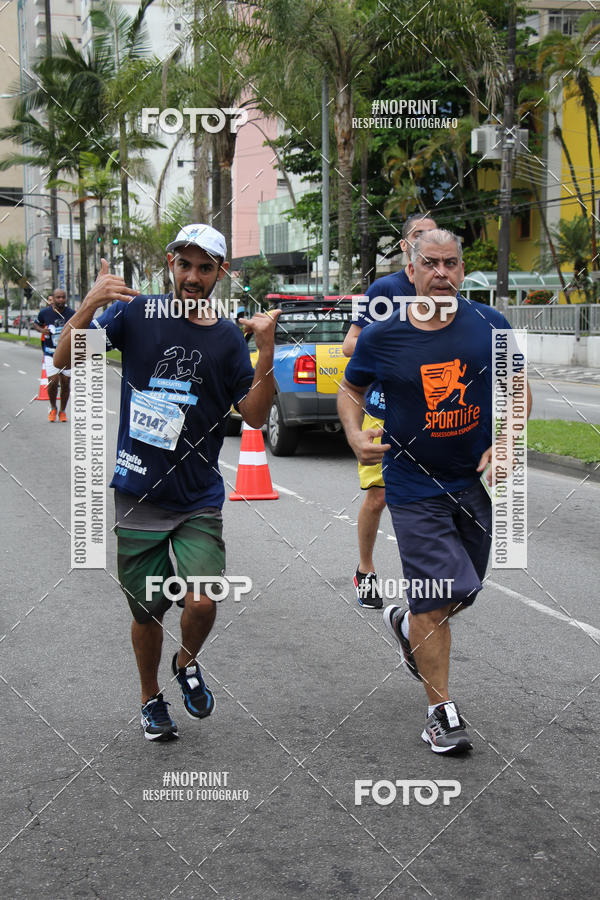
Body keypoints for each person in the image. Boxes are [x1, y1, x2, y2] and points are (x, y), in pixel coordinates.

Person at [54, 224, 280, 742]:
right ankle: (150, 698)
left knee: (202, 600)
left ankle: (187, 660)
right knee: (148, 608)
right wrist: (89, 303)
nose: (192, 277)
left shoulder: (226, 336)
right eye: (184, 265)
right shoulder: (136, 314)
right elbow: (67, 359)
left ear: (221, 273)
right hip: (138, 492)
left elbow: (253, 416)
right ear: (170, 265)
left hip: (198, 496)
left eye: (205, 268)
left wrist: (264, 353)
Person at [338, 228, 531, 754]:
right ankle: (440, 712)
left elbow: (519, 393)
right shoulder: (385, 332)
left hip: (471, 483)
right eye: (431, 264)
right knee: (434, 594)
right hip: (412, 483)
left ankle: (405, 622)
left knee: (461, 590)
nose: (441, 273)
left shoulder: (490, 324)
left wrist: (507, 441)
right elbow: (351, 386)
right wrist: (355, 434)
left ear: (462, 270)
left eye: (451, 264)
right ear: (414, 268)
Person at [342, 214, 437, 609]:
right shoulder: (385, 289)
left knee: (432, 498)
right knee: (378, 497)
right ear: (404, 247)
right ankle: (365, 570)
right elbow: (351, 345)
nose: (426, 241)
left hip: (431, 415)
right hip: (383, 411)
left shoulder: (444, 290)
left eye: (432, 235)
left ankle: (431, 582)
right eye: (418, 235)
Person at [32, 288, 76, 422]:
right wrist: (42, 330)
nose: (61, 300)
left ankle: (62, 411)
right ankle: (53, 407)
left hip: (67, 354)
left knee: (65, 383)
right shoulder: (45, 313)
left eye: (63, 297)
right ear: (53, 298)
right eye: (58, 297)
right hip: (50, 352)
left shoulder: (72, 313)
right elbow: (35, 323)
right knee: (53, 382)